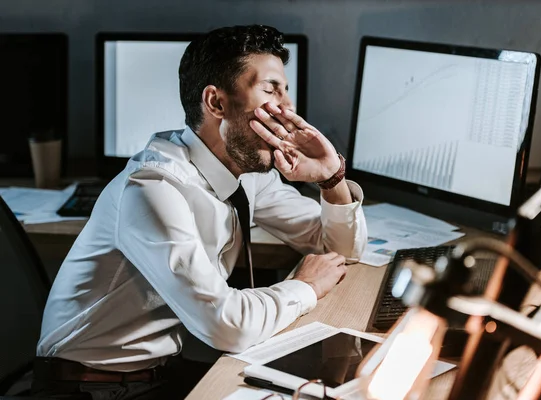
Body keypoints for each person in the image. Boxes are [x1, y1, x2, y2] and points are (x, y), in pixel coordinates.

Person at [33, 24, 367, 400]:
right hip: (91, 387)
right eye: (271, 89)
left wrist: (331, 179)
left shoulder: (246, 172)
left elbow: (341, 250)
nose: (288, 109)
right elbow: (226, 326)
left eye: (286, 91)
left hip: (158, 372)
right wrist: (304, 286)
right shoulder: (153, 188)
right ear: (216, 103)